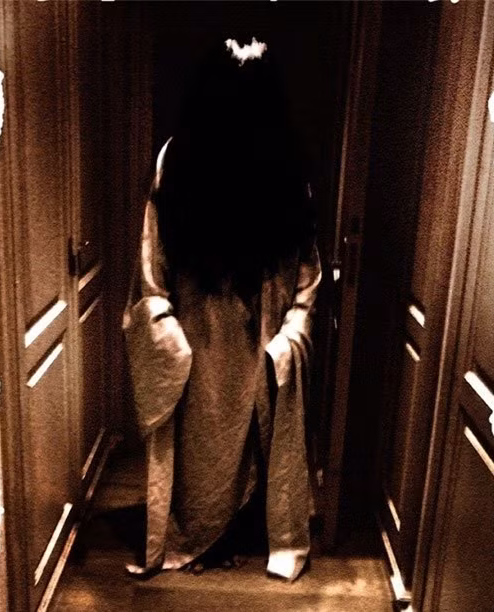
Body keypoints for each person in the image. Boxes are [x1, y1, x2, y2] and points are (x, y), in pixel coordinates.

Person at [123, 37, 322, 582]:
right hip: (198, 335)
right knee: (204, 447)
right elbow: (153, 256)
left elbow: (306, 266)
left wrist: (292, 331)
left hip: (260, 332)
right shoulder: (178, 160)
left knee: (257, 437)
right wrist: (163, 324)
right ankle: (205, 534)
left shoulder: (286, 165)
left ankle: (243, 529)